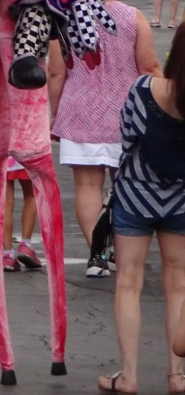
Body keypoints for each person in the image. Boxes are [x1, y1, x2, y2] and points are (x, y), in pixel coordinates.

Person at [49, 0, 161, 277]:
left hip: (80, 111)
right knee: (125, 187)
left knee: (87, 186)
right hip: (125, 115)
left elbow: (57, 72)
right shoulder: (132, 17)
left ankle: (98, 253)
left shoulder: (66, 18)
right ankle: (122, 254)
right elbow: (149, 67)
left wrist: (54, 114)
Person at [97, 23, 185, 395]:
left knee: (128, 282)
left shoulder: (142, 90)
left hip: (135, 193)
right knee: (178, 284)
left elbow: (127, 137)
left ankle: (130, 376)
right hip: (181, 198)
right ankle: (177, 376)